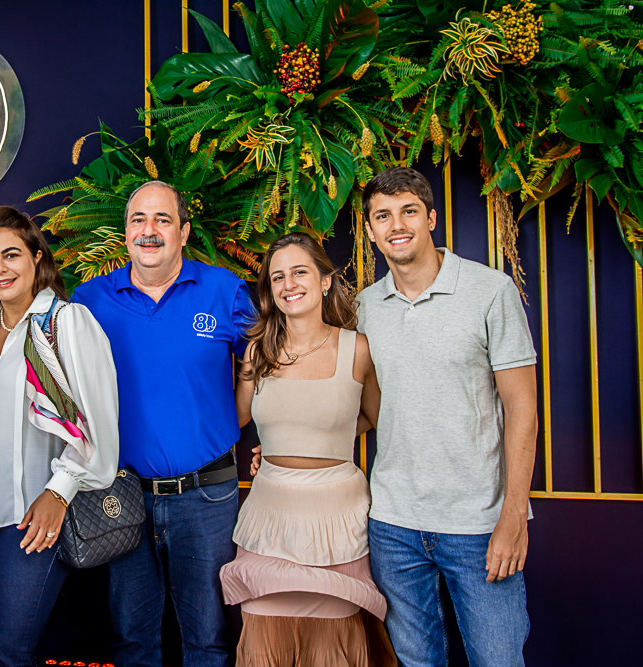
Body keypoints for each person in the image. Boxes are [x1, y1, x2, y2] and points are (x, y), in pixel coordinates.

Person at [69, 180, 256, 667]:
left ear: (184, 232)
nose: (149, 231)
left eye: (162, 220)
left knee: (208, 639)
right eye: (138, 220)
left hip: (207, 496)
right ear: (125, 232)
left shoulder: (225, 291)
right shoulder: (89, 300)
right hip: (121, 496)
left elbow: (267, 365)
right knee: (132, 640)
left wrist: (248, 424)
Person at [358, 167, 538, 666]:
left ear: (431, 218)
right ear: (370, 230)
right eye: (383, 216)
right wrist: (286, 449)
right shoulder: (365, 307)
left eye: (409, 211)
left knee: (498, 661)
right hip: (393, 524)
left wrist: (513, 517)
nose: (397, 225)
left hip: (478, 523)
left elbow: (522, 408)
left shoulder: (490, 290)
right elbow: (371, 411)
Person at [0, 206, 120, 667]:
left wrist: (59, 492)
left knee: (8, 651)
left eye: (11, 254)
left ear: (37, 256)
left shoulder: (67, 323)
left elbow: (99, 423)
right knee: (9, 647)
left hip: (35, 516)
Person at [220, 233, 396, 666]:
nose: (288, 284)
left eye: (299, 272)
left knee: (332, 636)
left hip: (336, 515)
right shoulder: (257, 351)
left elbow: (376, 418)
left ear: (324, 280)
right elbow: (236, 418)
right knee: (264, 635)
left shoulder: (357, 348)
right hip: (270, 514)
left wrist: (322, 440)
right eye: (277, 277)